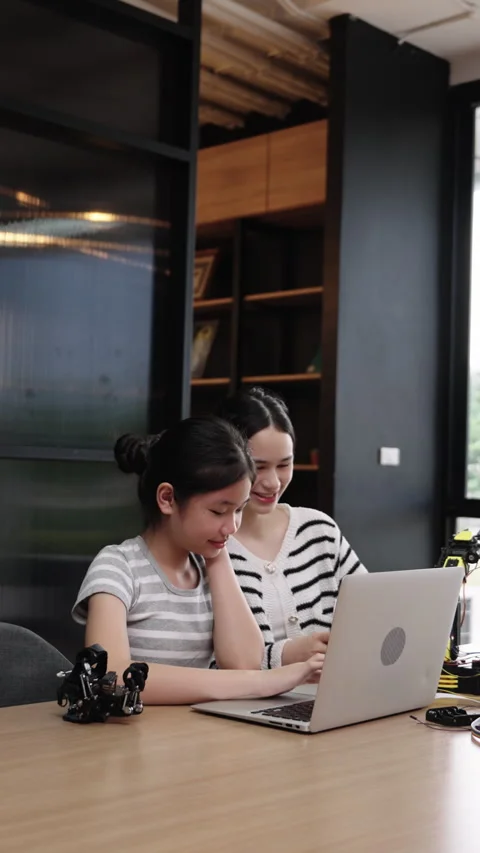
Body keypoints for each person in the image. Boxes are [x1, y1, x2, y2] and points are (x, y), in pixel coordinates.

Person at [72, 416, 323, 704]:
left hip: (198, 738)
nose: (232, 527)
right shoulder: (117, 567)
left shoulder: (210, 566)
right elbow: (110, 676)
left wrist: (217, 558)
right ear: (167, 498)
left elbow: (244, 664)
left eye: (239, 510)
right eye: (218, 511)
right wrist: (262, 681)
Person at [218, 387, 367, 670]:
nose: (273, 482)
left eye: (284, 464)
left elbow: (371, 612)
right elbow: (207, 664)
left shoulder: (319, 530)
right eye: (258, 467)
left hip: (330, 697)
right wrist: (284, 655)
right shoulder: (210, 545)